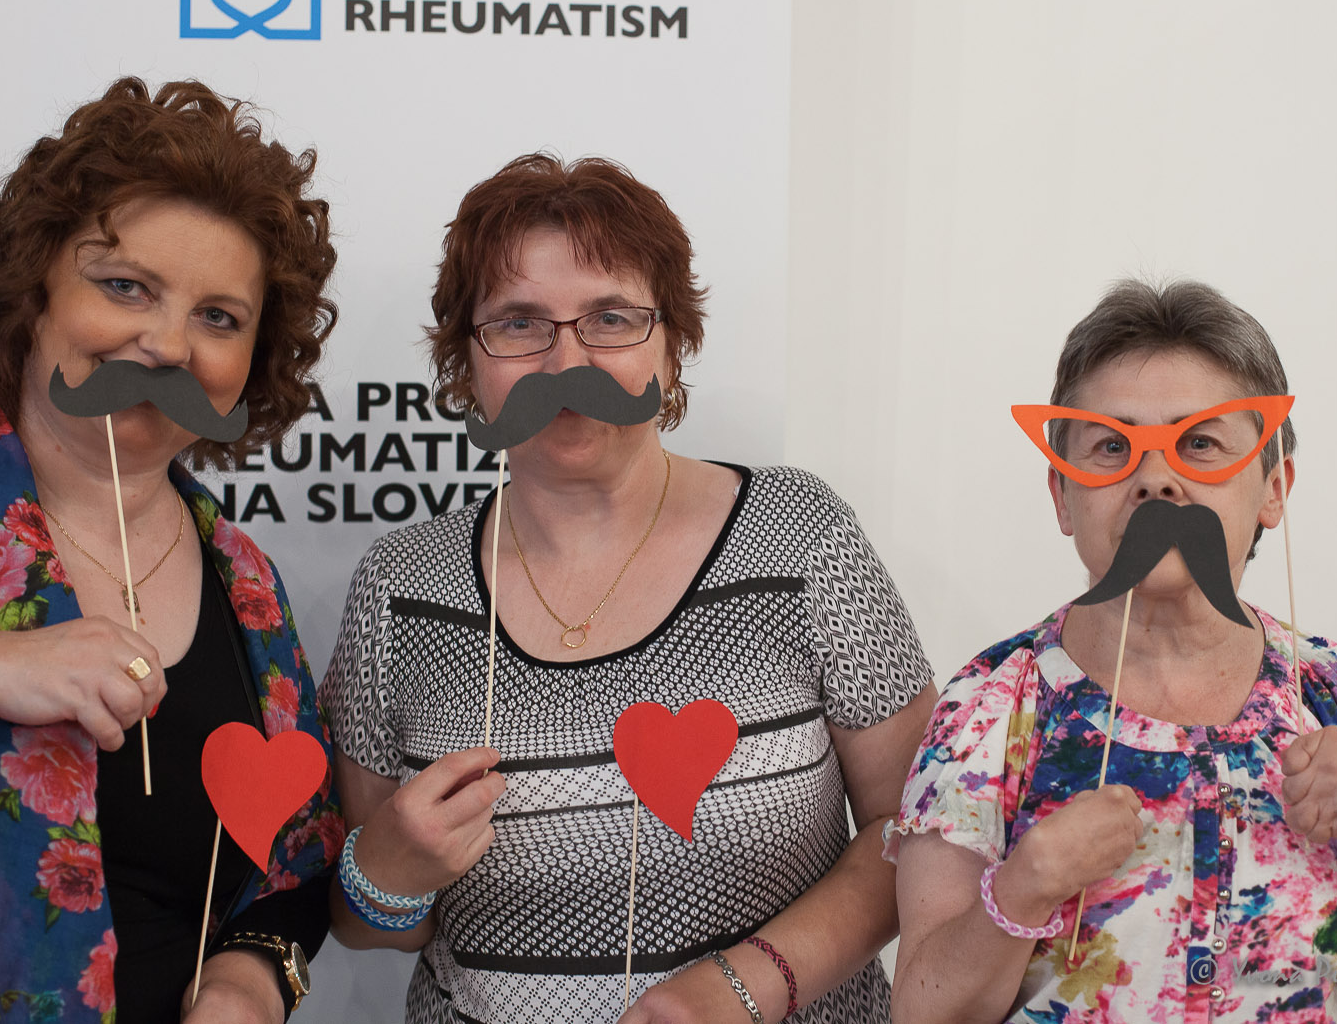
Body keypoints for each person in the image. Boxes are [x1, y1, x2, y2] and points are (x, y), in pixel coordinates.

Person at [318, 153, 938, 1023]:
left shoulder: (800, 534)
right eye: (519, 323)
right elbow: (366, 924)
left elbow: (919, 830)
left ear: (671, 346)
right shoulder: (400, 586)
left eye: (610, 318)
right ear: (468, 364)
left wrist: (745, 987)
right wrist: (383, 873)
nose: (566, 359)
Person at [0, 77, 345, 1023]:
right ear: (34, 290)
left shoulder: (246, 580)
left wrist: (252, 981)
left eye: (219, 317)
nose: (167, 344)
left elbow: (297, 869)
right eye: (125, 286)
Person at [887, 280, 1337, 1022]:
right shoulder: (988, 711)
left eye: (1199, 443)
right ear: (1062, 495)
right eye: (1112, 446)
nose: (1156, 479)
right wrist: (1024, 886)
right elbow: (923, 1012)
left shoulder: (1333, 692)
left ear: (1273, 488)